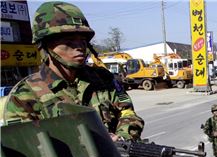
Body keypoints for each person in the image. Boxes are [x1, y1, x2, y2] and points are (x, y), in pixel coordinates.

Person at [3, 1, 144, 141]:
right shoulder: (24, 96)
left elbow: (128, 113)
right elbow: (24, 147)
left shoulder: (104, 79)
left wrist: (122, 137)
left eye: (83, 40)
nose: (79, 47)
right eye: (69, 41)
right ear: (46, 45)